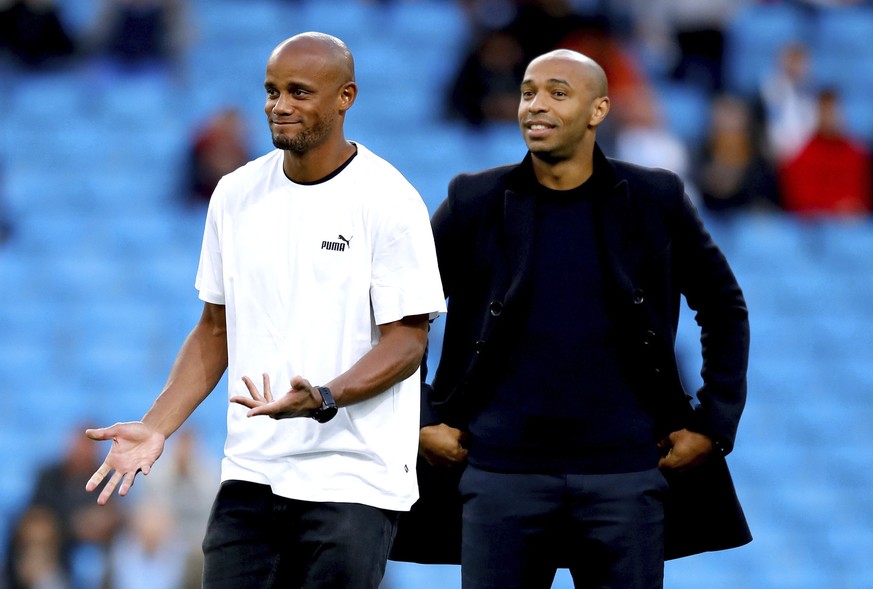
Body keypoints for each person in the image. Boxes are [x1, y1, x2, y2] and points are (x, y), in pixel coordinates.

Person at [83, 32, 446, 589]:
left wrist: (326, 396)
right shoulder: (233, 194)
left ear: (345, 96)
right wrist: (158, 426)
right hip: (252, 475)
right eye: (272, 91)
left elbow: (407, 341)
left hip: (352, 480)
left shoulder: (390, 200)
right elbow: (214, 329)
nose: (280, 105)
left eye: (299, 92)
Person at [390, 49, 751, 588]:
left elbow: (723, 308)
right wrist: (418, 421)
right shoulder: (473, 200)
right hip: (497, 474)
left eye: (558, 93)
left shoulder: (657, 198)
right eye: (528, 92)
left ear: (599, 109)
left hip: (627, 476)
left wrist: (713, 425)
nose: (536, 105)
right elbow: (400, 311)